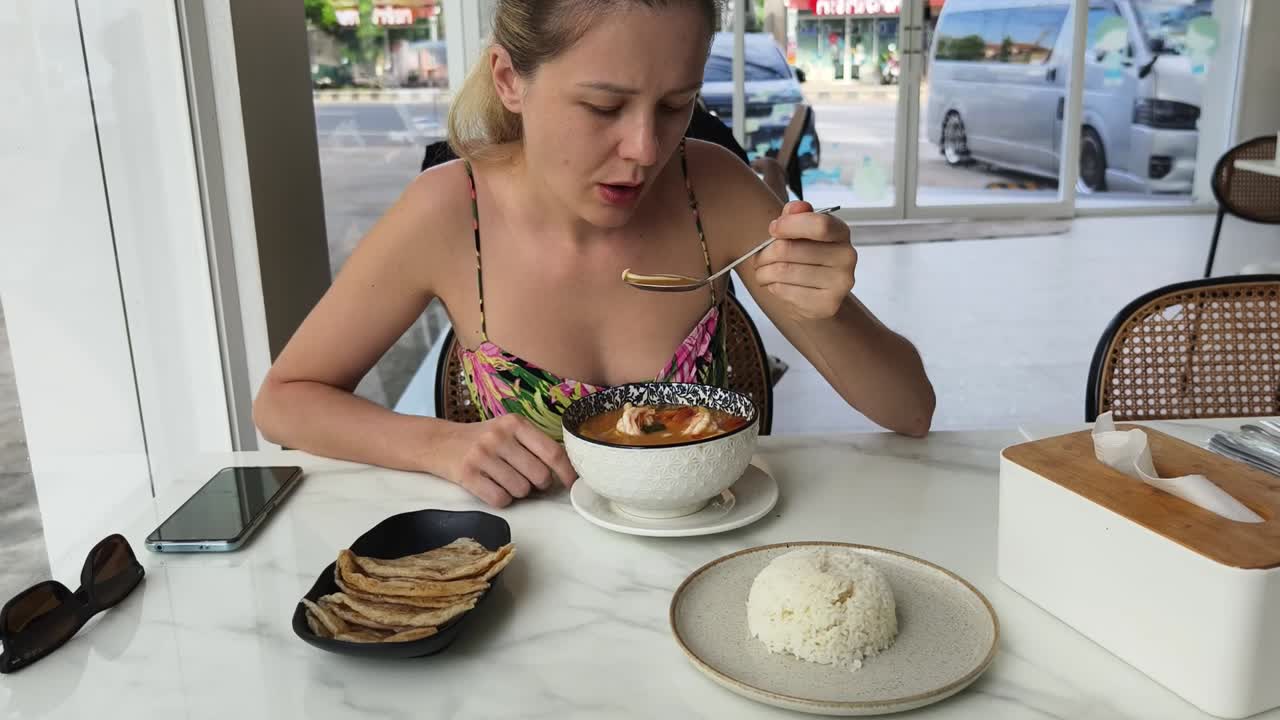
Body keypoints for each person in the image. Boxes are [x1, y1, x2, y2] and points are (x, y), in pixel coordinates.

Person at [253, 0, 935, 509]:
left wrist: (829, 306)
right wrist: (438, 445)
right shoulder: (447, 212)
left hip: (706, 571)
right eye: (604, 107)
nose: (645, 150)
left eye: (676, 105)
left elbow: (909, 411)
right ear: (510, 79)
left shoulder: (715, 189)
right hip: (528, 601)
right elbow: (283, 401)